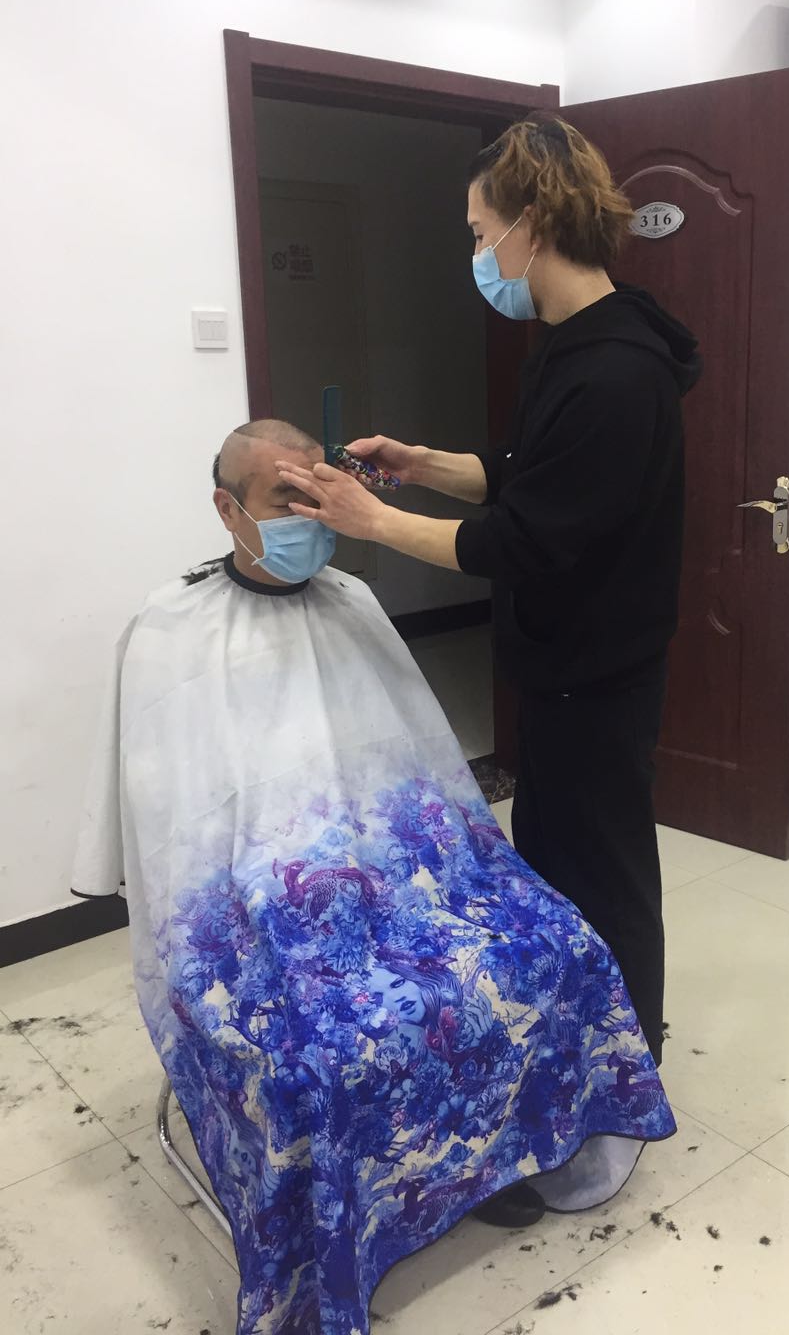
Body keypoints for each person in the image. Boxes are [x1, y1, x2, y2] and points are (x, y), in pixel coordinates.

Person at [72, 420, 676, 1335]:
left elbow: (413, 759)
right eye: (287, 498)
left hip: (403, 867)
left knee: (552, 948)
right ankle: (344, 1228)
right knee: (321, 1054)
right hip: (260, 895)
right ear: (227, 510)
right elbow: (169, 826)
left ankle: (493, 1154)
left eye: (321, 488)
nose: (314, 511)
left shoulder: (351, 597)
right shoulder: (168, 630)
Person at [275, 116, 702, 1066]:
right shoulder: (572, 343)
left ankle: (626, 1066)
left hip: (597, 677)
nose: (477, 254)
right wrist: (420, 463)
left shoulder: (618, 373)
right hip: (559, 669)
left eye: (479, 233)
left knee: (604, 877)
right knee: (553, 866)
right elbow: (524, 474)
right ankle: (571, 1047)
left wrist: (372, 521)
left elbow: (522, 539)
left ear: (532, 224)